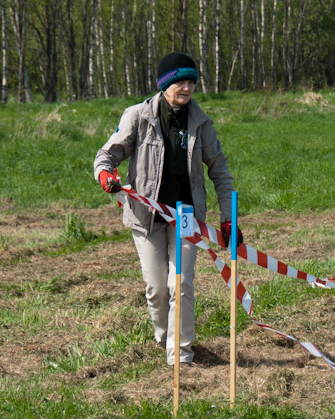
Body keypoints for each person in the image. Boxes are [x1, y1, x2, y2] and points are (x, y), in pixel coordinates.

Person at [93, 52, 237, 366]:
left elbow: (220, 172)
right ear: (165, 84)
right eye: (180, 82)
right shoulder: (137, 117)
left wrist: (229, 218)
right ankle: (165, 339)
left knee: (181, 283)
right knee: (157, 289)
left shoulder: (201, 123)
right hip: (146, 217)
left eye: (191, 82)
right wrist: (105, 174)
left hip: (186, 219)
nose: (187, 88)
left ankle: (181, 355)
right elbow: (107, 155)